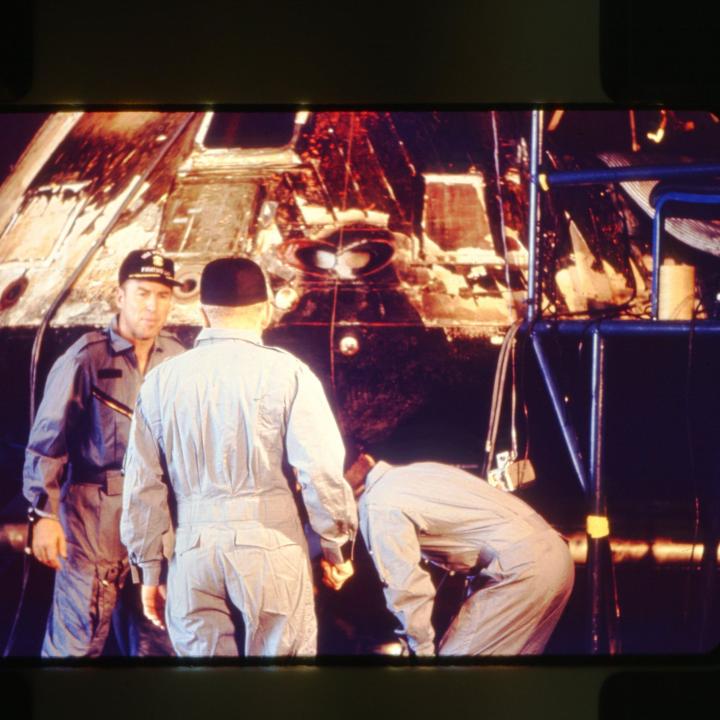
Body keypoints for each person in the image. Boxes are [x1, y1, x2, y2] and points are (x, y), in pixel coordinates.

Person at [120, 256, 357, 657]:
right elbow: (320, 471)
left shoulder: (162, 381)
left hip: (192, 550)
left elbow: (142, 485)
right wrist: (337, 548)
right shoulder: (290, 374)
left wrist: (149, 572)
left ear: (202, 314)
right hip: (272, 544)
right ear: (265, 311)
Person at [23, 248, 185, 657]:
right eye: (143, 292)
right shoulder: (86, 357)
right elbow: (47, 441)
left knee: (157, 641)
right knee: (78, 639)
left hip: (156, 522)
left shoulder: (179, 359)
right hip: (92, 519)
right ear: (120, 296)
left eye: (163, 295)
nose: (152, 306)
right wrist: (43, 515)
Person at [341, 454, 575, 656]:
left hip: (523, 570)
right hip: (555, 556)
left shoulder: (377, 505)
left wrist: (421, 655)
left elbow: (406, 590)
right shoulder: (418, 471)